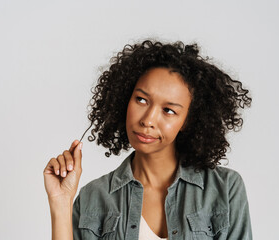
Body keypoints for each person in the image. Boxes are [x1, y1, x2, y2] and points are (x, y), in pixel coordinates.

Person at [43, 40, 253, 240]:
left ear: (188, 121)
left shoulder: (225, 189)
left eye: (169, 110)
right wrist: (61, 203)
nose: (148, 120)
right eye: (141, 100)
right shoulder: (94, 197)